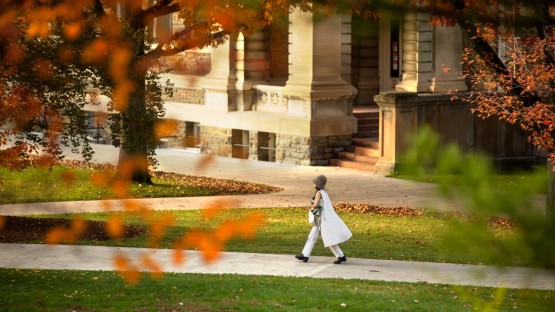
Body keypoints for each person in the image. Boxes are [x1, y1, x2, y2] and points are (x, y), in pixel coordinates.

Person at [295, 175, 352, 264]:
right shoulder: (324, 193)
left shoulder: (319, 193)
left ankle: (341, 256)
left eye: (314, 183)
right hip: (322, 219)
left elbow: (316, 204)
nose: (313, 184)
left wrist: (310, 206)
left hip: (322, 220)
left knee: (329, 239)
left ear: (318, 184)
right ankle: (305, 255)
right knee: (313, 237)